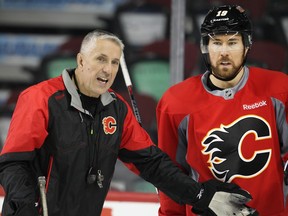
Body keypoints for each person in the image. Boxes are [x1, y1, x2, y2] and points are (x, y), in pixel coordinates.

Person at [0, 30, 257, 216]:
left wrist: (201, 196)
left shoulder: (116, 109)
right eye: (100, 59)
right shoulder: (41, 99)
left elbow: (152, 164)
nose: (108, 69)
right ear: (80, 61)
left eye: (114, 62)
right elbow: (13, 163)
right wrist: (25, 209)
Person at [156, 4, 288, 216]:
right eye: (216, 42)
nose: (224, 52)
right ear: (205, 46)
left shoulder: (279, 90)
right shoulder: (176, 103)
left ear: (247, 46)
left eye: (232, 42)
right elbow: (170, 177)